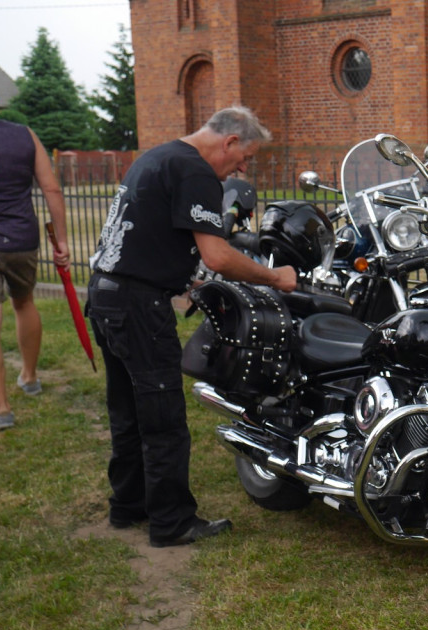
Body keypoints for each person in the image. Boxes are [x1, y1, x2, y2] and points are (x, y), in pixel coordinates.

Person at [86, 106, 297, 547]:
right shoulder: (194, 170)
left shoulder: (158, 157)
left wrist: (183, 277)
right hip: (138, 307)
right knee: (162, 416)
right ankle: (172, 522)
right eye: (243, 159)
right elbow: (218, 255)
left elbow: (149, 236)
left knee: (127, 410)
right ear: (230, 141)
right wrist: (277, 277)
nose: (241, 169)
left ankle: (128, 505)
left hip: (106, 295)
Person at [0, 93, 70, 431]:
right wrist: (62, 241)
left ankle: (2, 408)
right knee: (24, 303)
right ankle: (30, 376)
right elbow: (51, 189)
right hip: (22, 239)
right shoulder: (25, 135)